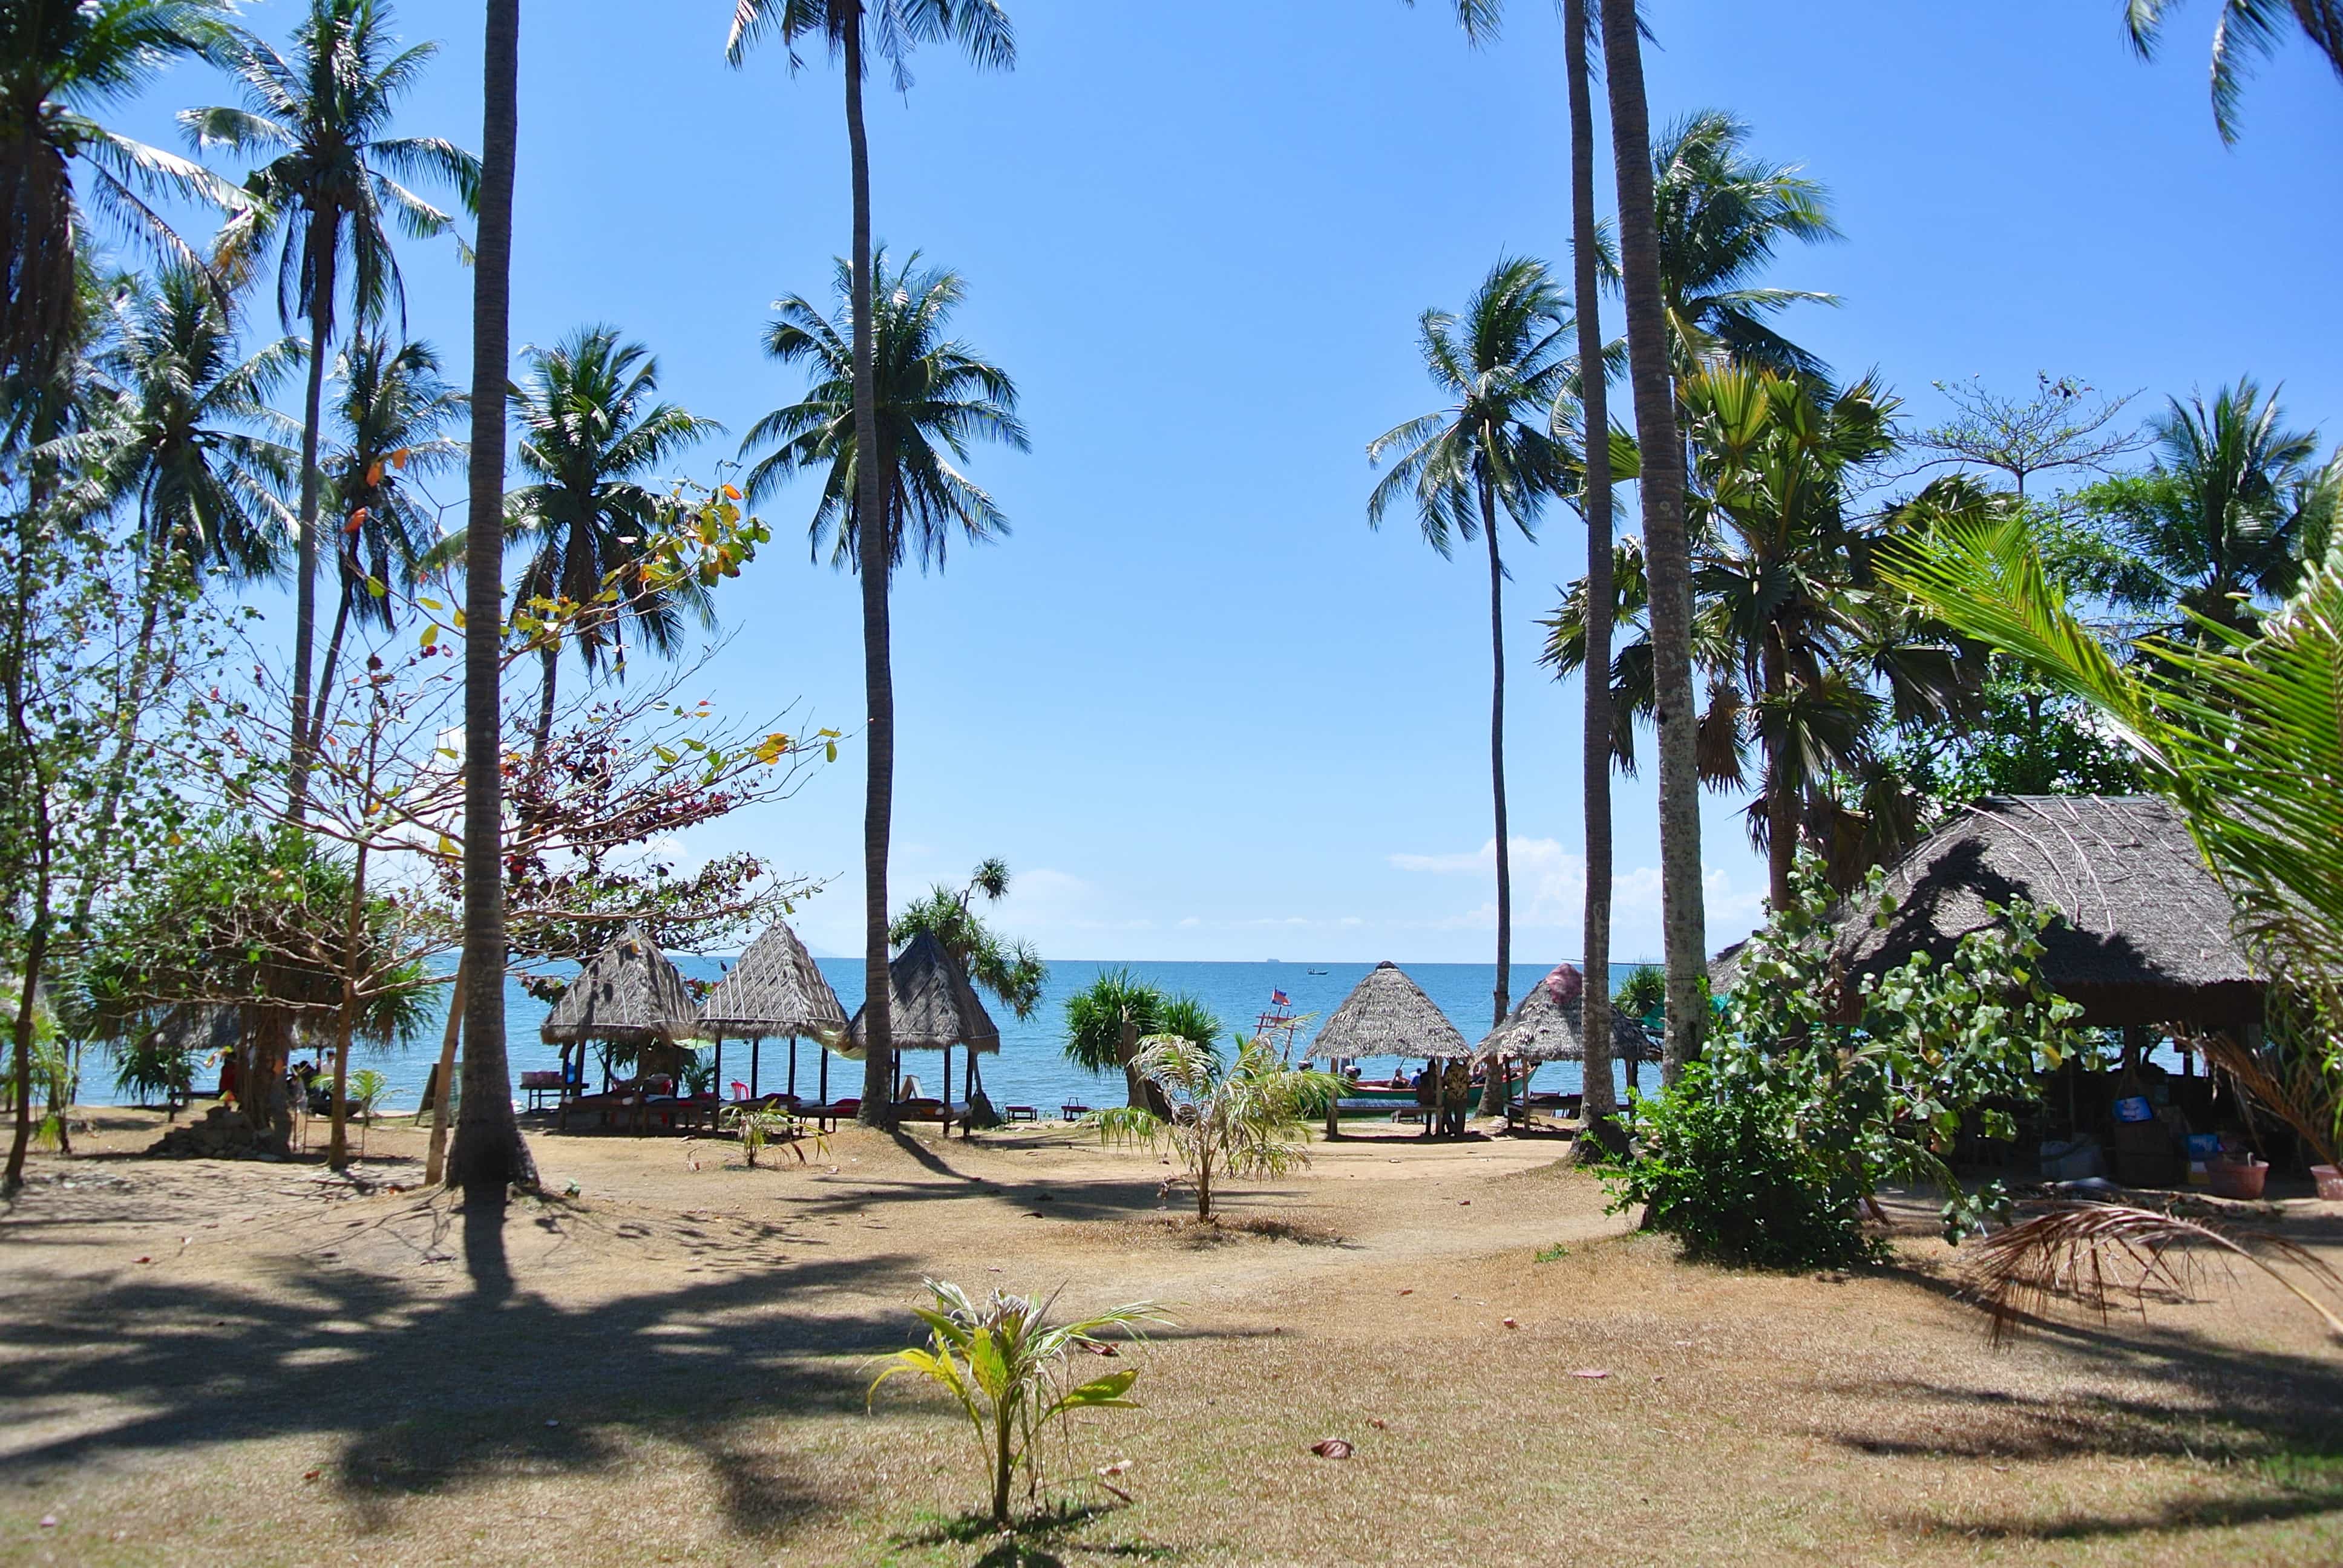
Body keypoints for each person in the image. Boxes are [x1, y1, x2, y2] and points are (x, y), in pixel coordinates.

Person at [1441, 1059, 1469, 1137]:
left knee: (1446, 1113)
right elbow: (1468, 1080)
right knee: (1461, 1115)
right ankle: (1459, 1132)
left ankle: (1452, 1128)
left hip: (1452, 1094)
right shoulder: (1463, 1069)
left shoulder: (1449, 1069)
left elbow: (1445, 1081)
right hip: (1463, 1094)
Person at [1411, 1063, 1436, 1138]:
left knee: (1433, 1110)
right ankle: (1434, 1130)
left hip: (1424, 1099)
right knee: (1437, 1107)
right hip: (1428, 1099)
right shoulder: (1432, 1077)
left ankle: (1429, 1130)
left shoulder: (1425, 1076)